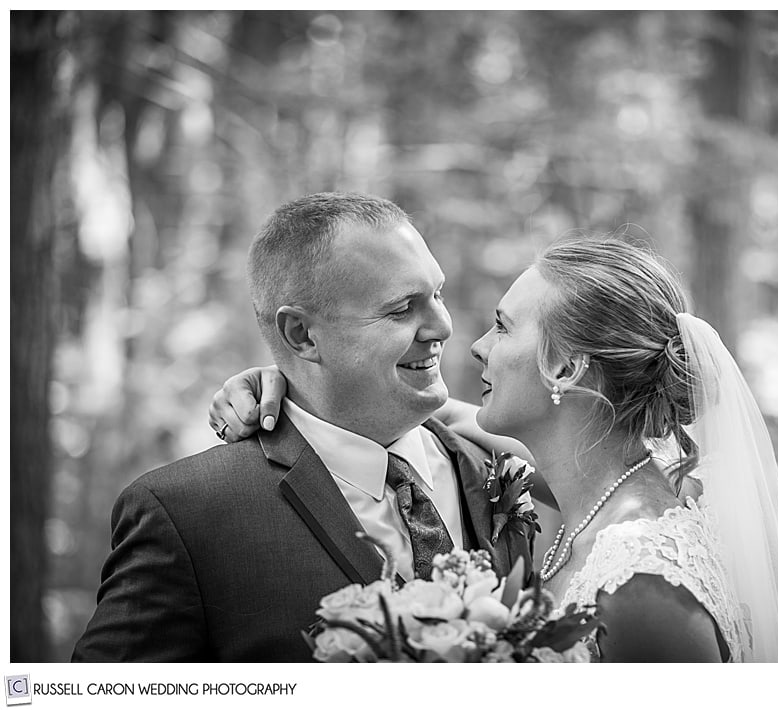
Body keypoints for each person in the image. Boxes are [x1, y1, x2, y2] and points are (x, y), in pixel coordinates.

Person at [213, 236, 778, 662]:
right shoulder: (569, 495)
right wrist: (282, 383)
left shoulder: (644, 580)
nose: (474, 344)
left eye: (503, 326)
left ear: (565, 368)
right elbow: (425, 411)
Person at [73, 192, 533, 662]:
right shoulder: (186, 514)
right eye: (401, 309)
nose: (442, 326)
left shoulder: (505, 468)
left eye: (438, 294)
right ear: (302, 335)